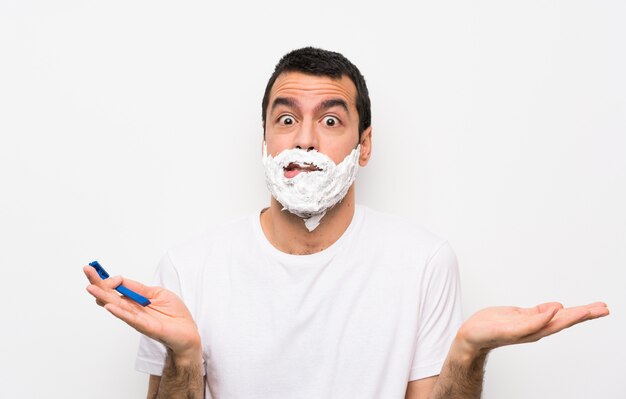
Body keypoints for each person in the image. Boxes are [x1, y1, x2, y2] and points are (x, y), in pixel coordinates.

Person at [84, 47, 609, 399]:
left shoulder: (422, 262)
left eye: (331, 120)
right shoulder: (190, 267)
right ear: (264, 141)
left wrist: (469, 352)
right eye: (286, 119)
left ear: (365, 145)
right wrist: (184, 357)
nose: (305, 140)